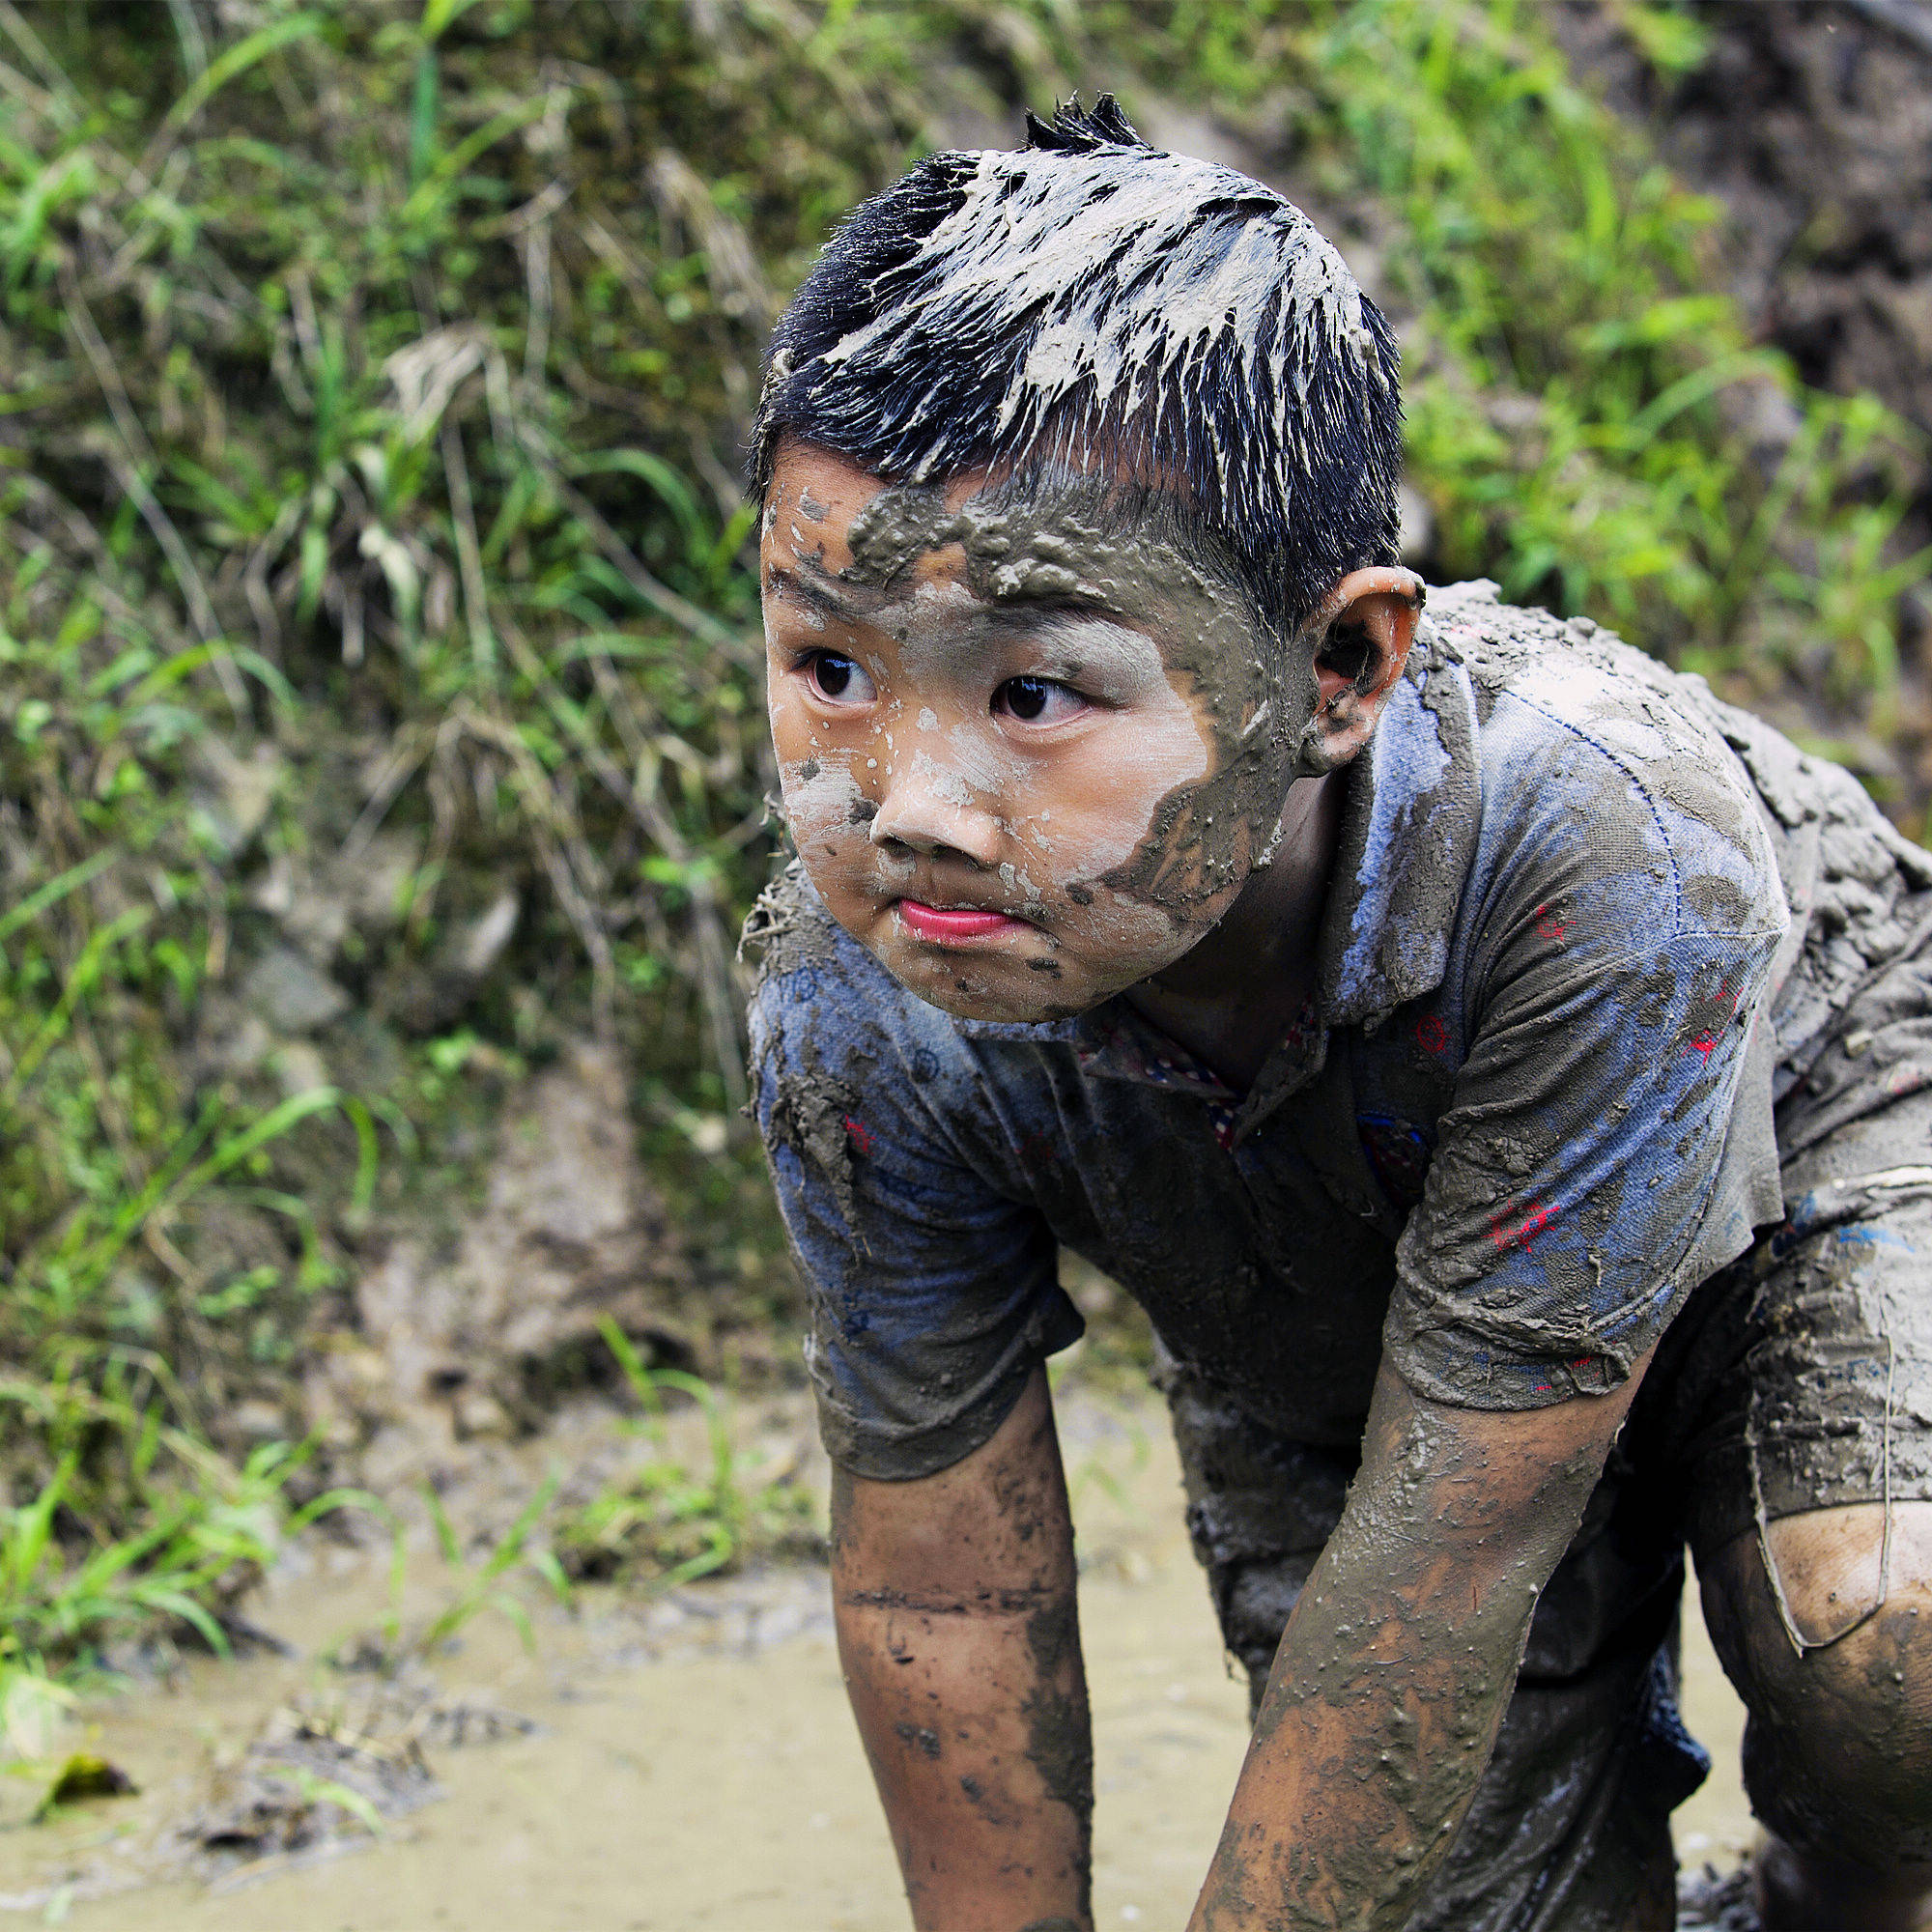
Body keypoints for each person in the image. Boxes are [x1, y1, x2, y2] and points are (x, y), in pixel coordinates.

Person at [742, 98, 1932, 1932]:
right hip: (1347, 1299)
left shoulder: (1612, 852)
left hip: (1822, 1114)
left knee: (1891, 1642)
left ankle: (1844, 1896)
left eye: (1039, 692)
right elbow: (945, 1593)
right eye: (832, 667)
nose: (906, 800)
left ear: (1339, 667)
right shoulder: (864, 998)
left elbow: (1457, 1548)